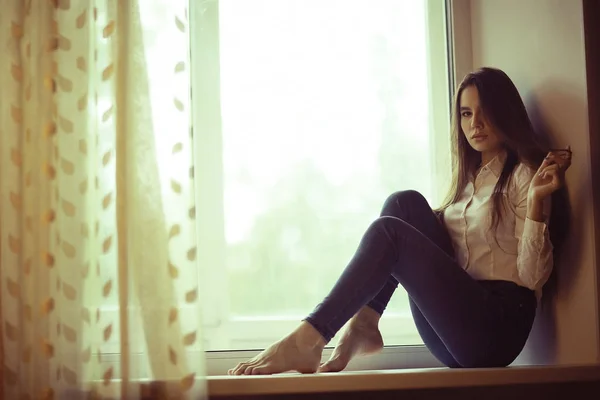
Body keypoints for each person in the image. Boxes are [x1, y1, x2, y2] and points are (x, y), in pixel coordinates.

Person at [228, 67, 572, 375]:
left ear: (505, 114)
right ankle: (366, 320)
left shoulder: (525, 176)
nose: (474, 124)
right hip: (453, 332)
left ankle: (310, 335)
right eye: (466, 114)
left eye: (484, 112)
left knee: (389, 232)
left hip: (495, 328)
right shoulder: (468, 184)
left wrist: (537, 202)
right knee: (403, 204)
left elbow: (532, 277)